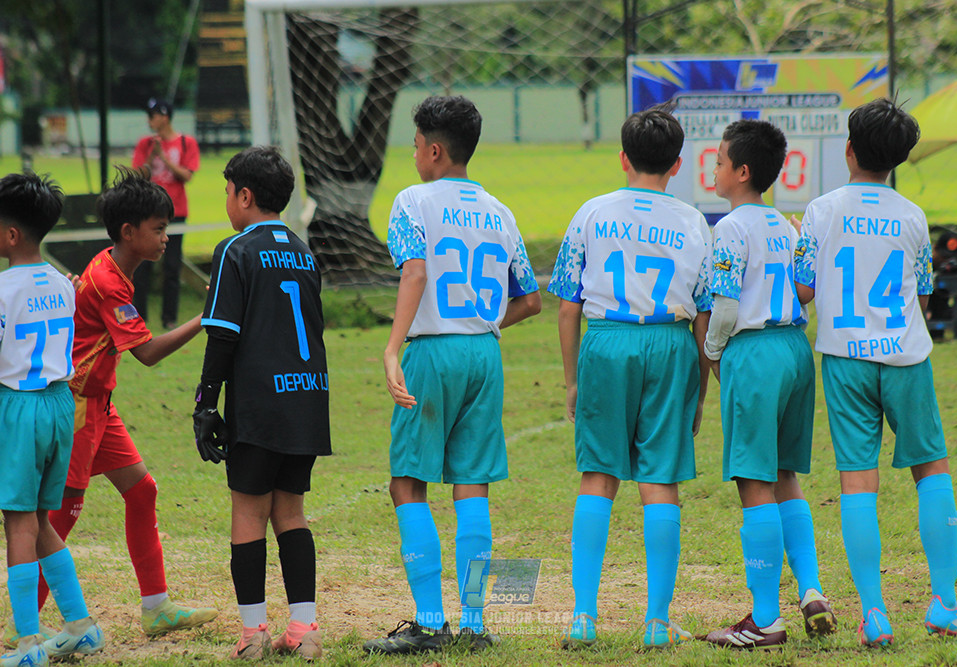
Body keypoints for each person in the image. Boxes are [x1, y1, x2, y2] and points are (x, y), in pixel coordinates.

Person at [793, 98, 957, 646]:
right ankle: (945, 604)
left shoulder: (821, 211)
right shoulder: (911, 216)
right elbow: (923, 297)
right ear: (899, 159)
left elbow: (803, 290)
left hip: (845, 360)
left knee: (858, 483)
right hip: (905, 357)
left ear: (849, 150)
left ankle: (874, 614)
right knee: (932, 471)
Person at [362, 95, 541, 656]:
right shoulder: (500, 211)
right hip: (483, 354)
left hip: (432, 352)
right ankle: (474, 622)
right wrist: (480, 326)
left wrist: (393, 348)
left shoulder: (412, 201)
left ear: (435, 150)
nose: (414, 155)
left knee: (407, 482)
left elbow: (414, 273)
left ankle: (429, 622)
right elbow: (530, 300)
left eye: (416, 145)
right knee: (472, 484)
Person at [549, 105, 712, 650]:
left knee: (598, 474)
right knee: (659, 479)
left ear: (623, 158)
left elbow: (567, 306)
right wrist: (699, 389)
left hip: (607, 341)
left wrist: (572, 380)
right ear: (678, 164)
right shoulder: (693, 221)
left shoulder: (592, 213)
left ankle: (582, 617)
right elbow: (704, 314)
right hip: (670, 342)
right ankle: (657, 622)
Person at [41, 167, 218, 638]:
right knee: (60, 515)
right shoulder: (109, 282)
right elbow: (148, 353)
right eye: (158, 229)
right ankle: (27, 626)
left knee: (142, 491)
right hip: (78, 407)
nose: (165, 237)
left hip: (99, 404)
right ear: (128, 231)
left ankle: (156, 608)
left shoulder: (114, 269)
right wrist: (206, 317)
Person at [701, 120, 835, 650]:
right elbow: (803, 291)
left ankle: (764, 620)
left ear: (741, 172)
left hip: (754, 353)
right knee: (785, 476)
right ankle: (812, 590)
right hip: (795, 350)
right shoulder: (785, 225)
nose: (713, 169)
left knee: (753, 480)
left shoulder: (730, 228)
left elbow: (725, 305)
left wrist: (713, 352)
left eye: (718, 161)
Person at [193, 146, 330, 660]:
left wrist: (207, 404)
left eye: (228, 192)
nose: (228, 200)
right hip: (307, 398)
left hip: (260, 403)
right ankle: (304, 629)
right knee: (291, 510)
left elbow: (222, 336)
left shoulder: (236, 249)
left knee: (249, 512)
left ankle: (253, 635)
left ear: (245, 196)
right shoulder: (303, 251)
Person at [0, 173, 105, 666]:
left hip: (20, 406)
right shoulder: (64, 282)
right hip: (61, 405)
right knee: (41, 518)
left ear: (11, 234)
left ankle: (27, 644)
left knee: (18, 522)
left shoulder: (4, 288)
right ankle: (81, 625)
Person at [131, 97, 200, 330]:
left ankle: (169, 318)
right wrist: (152, 156)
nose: (149, 120)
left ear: (165, 117)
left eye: (153, 115)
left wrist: (165, 158)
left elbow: (187, 175)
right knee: (142, 266)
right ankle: (139, 317)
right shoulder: (145, 144)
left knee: (172, 266)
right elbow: (137, 175)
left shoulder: (186, 143)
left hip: (176, 211)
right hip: (148, 210)